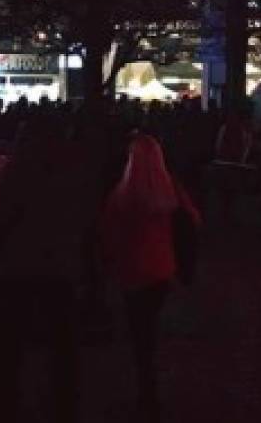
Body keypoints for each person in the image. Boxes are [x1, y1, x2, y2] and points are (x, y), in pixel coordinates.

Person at [0, 113, 105, 423]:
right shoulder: (75, 171)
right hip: (61, 266)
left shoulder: (20, 170)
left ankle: (9, 398)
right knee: (62, 342)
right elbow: (88, 217)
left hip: (21, 264)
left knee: (13, 340)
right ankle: (65, 402)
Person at [101, 131, 199, 423]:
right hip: (161, 270)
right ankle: (149, 387)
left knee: (139, 332)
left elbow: (107, 232)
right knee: (148, 329)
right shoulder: (169, 189)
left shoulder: (122, 194)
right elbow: (193, 219)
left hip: (132, 272)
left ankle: (146, 387)